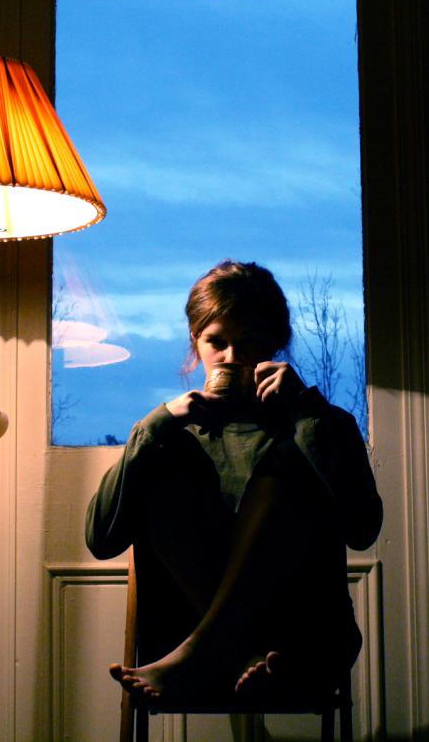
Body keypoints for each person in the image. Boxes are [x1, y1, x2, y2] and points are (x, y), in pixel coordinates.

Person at [85, 260, 382, 706]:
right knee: (169, 464)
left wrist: (304, 414)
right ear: (196, 342)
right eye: (217, 342)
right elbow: (101, 540)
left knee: (287, 463)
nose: (231, 357)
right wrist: (156, 425)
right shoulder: (173, 436)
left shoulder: (319, 423)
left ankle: (209, 650)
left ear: (275, 343)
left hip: (301, 643)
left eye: (249, 342)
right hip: (187, 640)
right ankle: (233, 649)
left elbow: (362, 530)